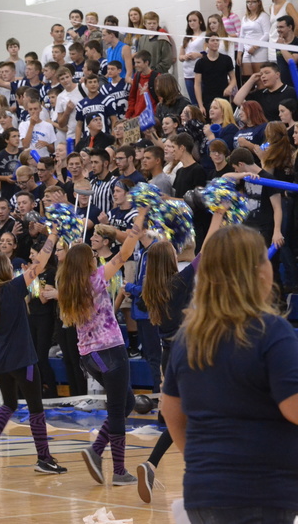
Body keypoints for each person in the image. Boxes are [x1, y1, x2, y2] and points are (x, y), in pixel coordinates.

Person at [161, 224, 298, 523]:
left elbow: (170, 410)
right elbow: (294, 407)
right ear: (256, 271)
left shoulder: (189, 336)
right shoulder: (271, 331)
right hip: (260, 494)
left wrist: (207, 462)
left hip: (202, 492)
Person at [136, 209, 225, 503]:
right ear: (169, 261)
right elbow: (207, 248)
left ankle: (154, 465)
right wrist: (219, 215)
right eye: (174, 254)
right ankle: (203, 473)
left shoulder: (151, 289)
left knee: (182, 418)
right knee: (201, 415)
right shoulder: (179, 282)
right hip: (189, 353)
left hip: (168, 356)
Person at [58, 207, 148, 486]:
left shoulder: (68, 286)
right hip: (110, 351)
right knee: (117, 408)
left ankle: (96, 450)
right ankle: (119, 471)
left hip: (89, 357)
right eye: (92, 256)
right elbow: (123, 255)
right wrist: (139, 220)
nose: (96, 257)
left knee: (127, 402)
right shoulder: (95, 280)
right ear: (87, 262)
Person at [0, 245, 67, 477]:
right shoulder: (13, 289)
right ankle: (44, 458)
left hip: (1, 361)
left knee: (9, 404)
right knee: (36, 408)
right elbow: (40, 265)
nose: (11, 268)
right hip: (22, 359)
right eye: (7, 265)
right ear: (3, 270)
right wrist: (52, 237)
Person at [194, 33, 236, 117]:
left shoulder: (226, 59)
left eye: (217, 40)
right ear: (207, 44)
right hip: (208, 98)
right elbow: (197, 84)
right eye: (212, 40)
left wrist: (230, 87)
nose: (215, 42)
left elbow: (233, 79)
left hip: (223, 96)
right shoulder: (201, 62)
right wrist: (200, 105)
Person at [239, 0, 271, 79]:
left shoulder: (263, 16)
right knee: (248, 79)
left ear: (259, 3)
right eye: (248, 2)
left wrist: (255, 47)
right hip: (247, 50)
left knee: (260, 78)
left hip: (259, 50)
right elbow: (241, 36)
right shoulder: (245, 18)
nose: (250, 4)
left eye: (253, 1)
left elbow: (267, 34)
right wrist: (239, 52)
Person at [180, 11, 207, 104]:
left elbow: (209, 52)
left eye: (194, 20)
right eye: (190, 21)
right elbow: (180, 56)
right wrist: (185, 56)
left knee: (203, 99)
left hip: (201, 71)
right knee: (193, 101)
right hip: (188, 72)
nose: (192, 23)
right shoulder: (186, 37)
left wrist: (198, 55)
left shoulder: (205, 35)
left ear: (200, 21)